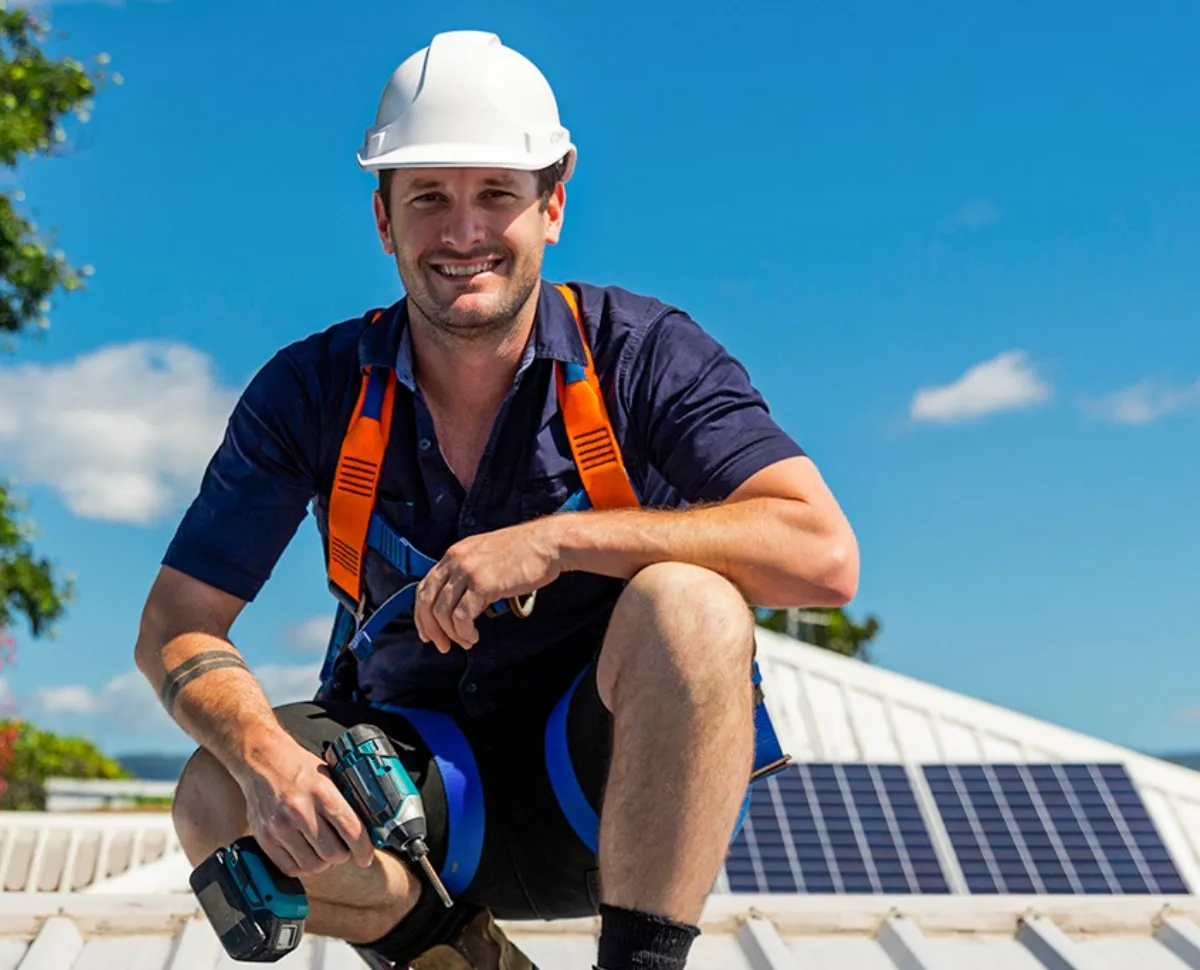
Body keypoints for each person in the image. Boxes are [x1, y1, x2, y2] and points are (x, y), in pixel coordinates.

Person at [135, 29, 858, 970]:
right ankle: (463, 958)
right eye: (428, 197)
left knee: (694, 605)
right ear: (384, 221)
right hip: (421, 812)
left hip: (605, 789)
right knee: (211, 795)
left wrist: (558, 544)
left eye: (496, 196)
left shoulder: (642, 355)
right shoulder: (311, 391)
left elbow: (822, 554)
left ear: (552, 206)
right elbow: (176, 627)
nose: (463, 232)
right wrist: (265, 759)